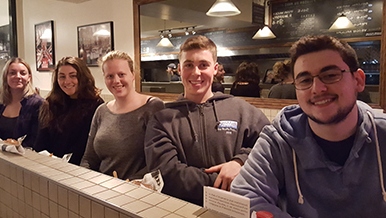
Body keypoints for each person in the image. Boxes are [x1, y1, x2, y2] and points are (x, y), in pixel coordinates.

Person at [231, 35, 386, 217]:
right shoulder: (278, 139)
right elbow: (244, 196)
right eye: (305, 80)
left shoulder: (381, 134)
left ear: (358, 80)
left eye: (330, 76)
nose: (317, 89)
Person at [144, 35, 270, 206]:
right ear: (179, 69)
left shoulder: (241, 109)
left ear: (215, 69)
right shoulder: (162, 119)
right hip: (182, 210)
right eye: (189, 65)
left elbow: (270, 145)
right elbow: (167, 173)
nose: (196, 72)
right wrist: (224, 181)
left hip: (238, 208)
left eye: (203, 65)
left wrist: (240, 162)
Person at [81, 51, 164, 180]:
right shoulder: (101, 111)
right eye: (110, 76)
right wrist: (85, 180)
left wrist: (127, 185)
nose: (116, 81)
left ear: (133, 75)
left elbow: (159, 160)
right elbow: (89, 158)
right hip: (100, 189)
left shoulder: (153, 107)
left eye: (121, 74)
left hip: (136, 191)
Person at [34, 57, 104, 165]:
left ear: (83, 77)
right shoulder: (50, 104)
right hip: (48, 167)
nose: (67, 81)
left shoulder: (96, 105)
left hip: (79, 170)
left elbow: (88, 148)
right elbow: (40, 142)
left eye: (73, 76)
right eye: (62, 77)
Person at [0, 57, 43, 148]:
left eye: (23, 73)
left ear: (29, 77)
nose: (17, 76)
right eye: (12, 73)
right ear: (6, 77)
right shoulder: (0, 103)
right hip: (1, 157)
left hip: (25, 159)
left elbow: (37, 140)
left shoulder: (38, 104)